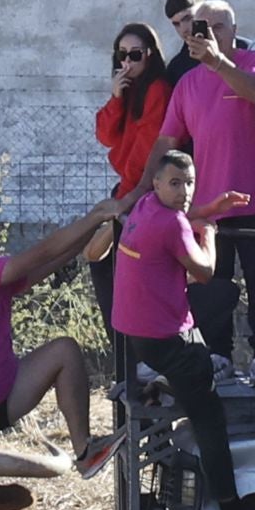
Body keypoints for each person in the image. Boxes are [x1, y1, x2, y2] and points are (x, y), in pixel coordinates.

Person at [114, 151, 255, 510]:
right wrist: (211, 236)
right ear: (157, 183)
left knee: (217, 307)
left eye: (189, 183)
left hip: (137, 337)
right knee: (210, 420)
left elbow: (183, 219)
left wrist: (209, 209)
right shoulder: (171, 223)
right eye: (175, 183)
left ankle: (169, 379)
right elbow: (203, 271)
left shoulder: (144, 207)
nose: (184, 192)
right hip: (165, 340)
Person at [125, 0, 255, 386]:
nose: (207, 36)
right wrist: (138, 192)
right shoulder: (187, 82)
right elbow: (167, 141)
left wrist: (218, 62)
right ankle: (219, 353)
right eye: (200, 28)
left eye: (216, 27)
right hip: (208, 206)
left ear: (233, 30)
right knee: (210, 284)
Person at [0, 208, 126, 477]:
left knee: (65, 351)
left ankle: (85, 452)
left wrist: (104, 227)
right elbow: (43, 252)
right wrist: (99, 214)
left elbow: (53, 260)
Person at [92, 24, 173, 330]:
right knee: (106, 265)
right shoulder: (129, 91)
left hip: (144, 192)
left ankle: (132, 349)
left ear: (150, 55)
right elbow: (105, 135)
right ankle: (124, 351)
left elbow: (147, 149)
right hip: (128, 190)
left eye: (135, 55)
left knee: (122, 271)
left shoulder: (157, 90)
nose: (127, 62)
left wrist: (126, 198)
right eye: (121, 54)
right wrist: (115, 98)